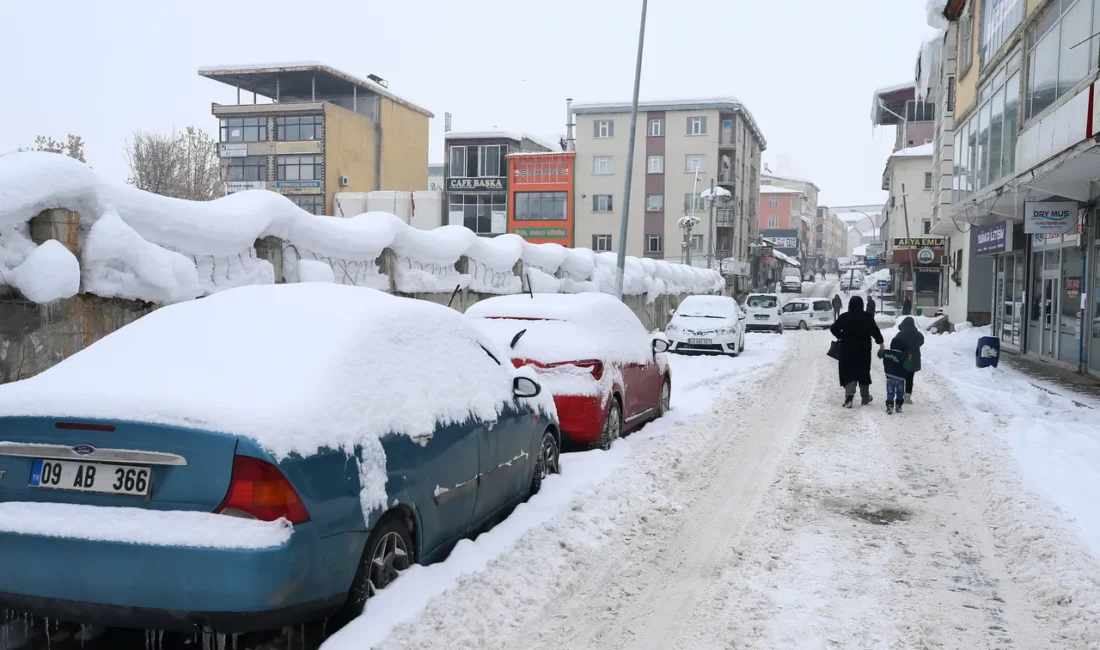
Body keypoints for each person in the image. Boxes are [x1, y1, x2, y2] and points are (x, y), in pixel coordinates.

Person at [830, 296, 885, 408]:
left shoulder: (844, 317)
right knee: (863, 372)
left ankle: (849, 397)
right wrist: (881, 345)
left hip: (847, 350)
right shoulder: (867, 317)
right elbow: (875, 331)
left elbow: (833, 328)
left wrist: (841, 336)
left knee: (849, 372)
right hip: (863, 350)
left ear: (850, 305)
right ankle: (865, 397)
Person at [892, 316, 925, 403]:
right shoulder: (918, 335)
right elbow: (921, 342)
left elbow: (895, 345)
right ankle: (907, 397)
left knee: (900, 378)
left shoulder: (900, 335)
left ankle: (899, 396)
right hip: (913, 359)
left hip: (902, 359)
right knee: (910, 378)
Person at [878, 338, 913, 414]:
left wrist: (881, 349)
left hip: (890, 378)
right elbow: (908, 366)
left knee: (890, 393)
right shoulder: (904, 356)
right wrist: (909, 359)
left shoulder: (887, 352)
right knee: (900, 393)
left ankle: (890, 405)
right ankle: (898, 406)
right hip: (900, 379)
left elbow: (879, 355)